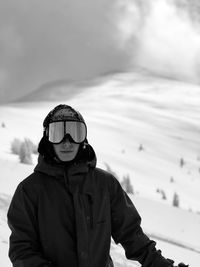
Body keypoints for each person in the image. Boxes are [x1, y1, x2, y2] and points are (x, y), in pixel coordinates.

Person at [7, 104, 188, 267]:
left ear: (83, 138)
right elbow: (22, 249)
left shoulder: (105, 185)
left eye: (75, 132)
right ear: (48, 138)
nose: (67, 142)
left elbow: (131, 234)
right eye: (58, 133)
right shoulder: (29, 191)